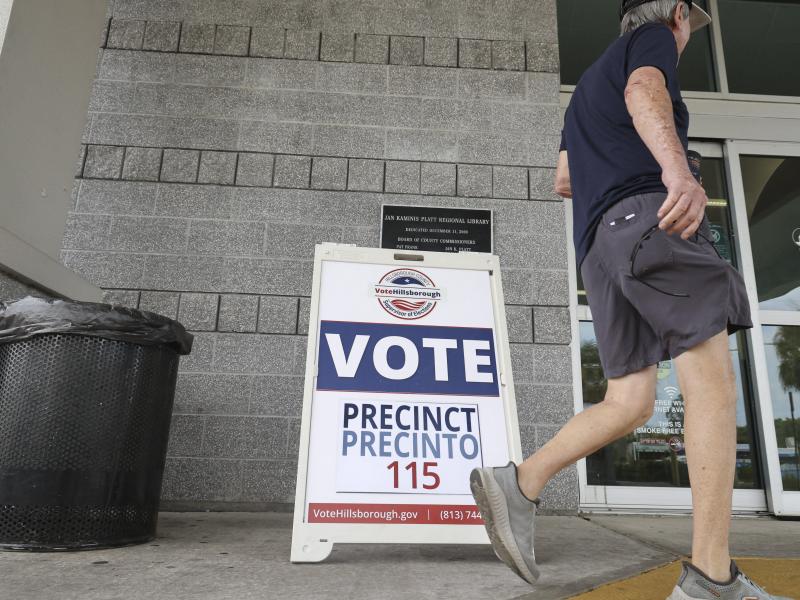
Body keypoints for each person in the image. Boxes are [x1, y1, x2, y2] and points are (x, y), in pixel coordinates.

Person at [470, 2, 795, 599]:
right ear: (677, 13)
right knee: (712, 383)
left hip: (599, 247)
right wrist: (678, 170)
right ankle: (712, 578)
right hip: (651, 218)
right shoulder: (650, 45)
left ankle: (519, 482)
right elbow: (647, 89)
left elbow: (563, 180)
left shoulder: (586, 91)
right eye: (689, 25)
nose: (686, 36)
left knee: (631, 400)